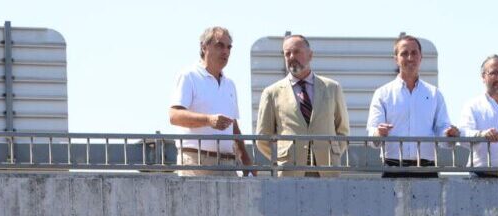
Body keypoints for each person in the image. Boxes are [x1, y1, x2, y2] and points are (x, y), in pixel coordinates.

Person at [255, 34, 351, 177]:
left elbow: (342, 131)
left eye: (297, 52)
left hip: (327, 169)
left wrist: (332, 153)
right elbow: (263, 138)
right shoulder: (271, 93)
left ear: (310, 55)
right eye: (287, 53)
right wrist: (282, 158)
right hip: (289, 171)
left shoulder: (332, 88)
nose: (292, 57)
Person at [367, 35, 459, 178]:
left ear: (421, 57)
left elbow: (442, 130)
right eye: (404, 53)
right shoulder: (382, 94)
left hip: (427, 169)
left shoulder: (434, 94)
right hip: (393, 168)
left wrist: (449, 134)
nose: (410, 58)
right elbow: (372, 137)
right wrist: (379, 133)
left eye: (414, 53)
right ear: (396, 59)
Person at [169, 26, 254, 176]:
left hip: (228, 164)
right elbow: (174, 115)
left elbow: (233, 124)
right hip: (197, 162)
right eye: (219, 45)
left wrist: (246, 159)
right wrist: (209, 120)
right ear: (204, 46)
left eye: (229, 47)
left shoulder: (230, 84)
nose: (225, 51)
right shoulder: (189, 76)